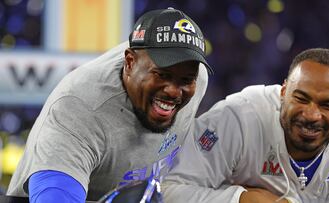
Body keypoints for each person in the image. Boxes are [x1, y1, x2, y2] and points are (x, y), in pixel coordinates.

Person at [7, 8, 213, 202]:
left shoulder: (197, 77)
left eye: (185, 80)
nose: (174, 91)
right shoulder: (80, 107)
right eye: (162, 75)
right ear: (130, 63)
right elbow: (55, 194)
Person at [162, 48, 329, 203]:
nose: (311, 115)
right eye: (301, 98)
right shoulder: (238, 118)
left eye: (328, 105)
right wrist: (242, 199)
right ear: (283, 92)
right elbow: (169, 189)